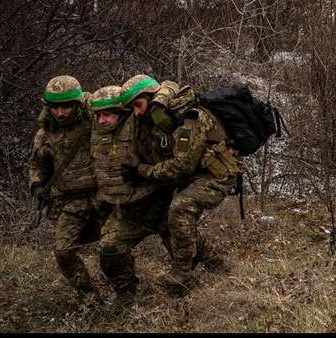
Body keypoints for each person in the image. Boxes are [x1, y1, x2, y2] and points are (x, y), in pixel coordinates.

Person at [120, 75, 242, 297]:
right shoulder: (160, 118)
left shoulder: (189, 118)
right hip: (197, 174)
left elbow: (180, 167)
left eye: (137, 105)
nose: (136, 112)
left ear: (151, 98)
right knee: (167, 217)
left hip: (218, 176)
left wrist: (142, 170)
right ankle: (214, 262)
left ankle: (182, 273)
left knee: (180, 208)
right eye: (132, 108)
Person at [88, 85, 173, 307]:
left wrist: (159, 105)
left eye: (108, 114)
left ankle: (217, 275)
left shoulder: (140, 124)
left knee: (187, 250)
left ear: (122, 112)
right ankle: (126, 294)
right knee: (109, 251)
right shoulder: (95, 130)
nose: (102, 120)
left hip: (157, 202)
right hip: (126, 210)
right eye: (98, 115)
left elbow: (168, 87)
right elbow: (71, 102)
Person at [28, 75, 105, 305]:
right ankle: (89, 297)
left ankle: (126, 292)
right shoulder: (45, 135)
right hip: (70, 202)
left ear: (78, 104)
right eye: (55, 107)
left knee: (113, 247)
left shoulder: (97, 120)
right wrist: (37, 185)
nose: (60, 113)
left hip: (104, 196)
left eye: (66, 107)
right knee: (63, 252)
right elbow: (37, 164)